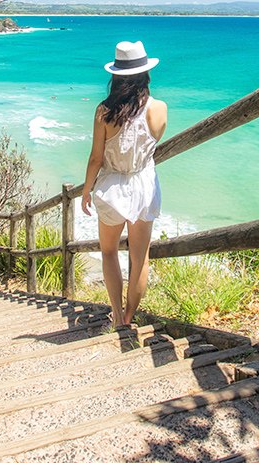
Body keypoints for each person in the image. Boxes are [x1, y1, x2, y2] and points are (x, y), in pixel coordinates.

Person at [81, 41, 167, 329]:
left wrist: (85, 191)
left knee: (108, 253)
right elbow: (152, 143)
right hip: (144, 185)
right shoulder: (159, 108)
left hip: (111, 188)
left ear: (116, 76)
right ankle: (130, 317)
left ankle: (117, 316)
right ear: (145, 74)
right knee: (140, 258)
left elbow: (96, 158)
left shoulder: (104, 111)